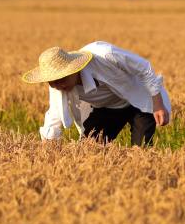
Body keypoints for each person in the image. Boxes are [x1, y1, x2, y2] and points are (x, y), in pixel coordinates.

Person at [22, 41, 171, 146]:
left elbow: (144, 67)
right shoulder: (57, 85)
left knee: (142, 152)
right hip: (107, 108)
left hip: (139, 101)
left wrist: (158, 104)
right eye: (51, 82)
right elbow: (54, 116)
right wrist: (48, 151)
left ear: (73, 69)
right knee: (87, 151)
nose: (57, 86)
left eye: (62, 79)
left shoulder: (105, 55)